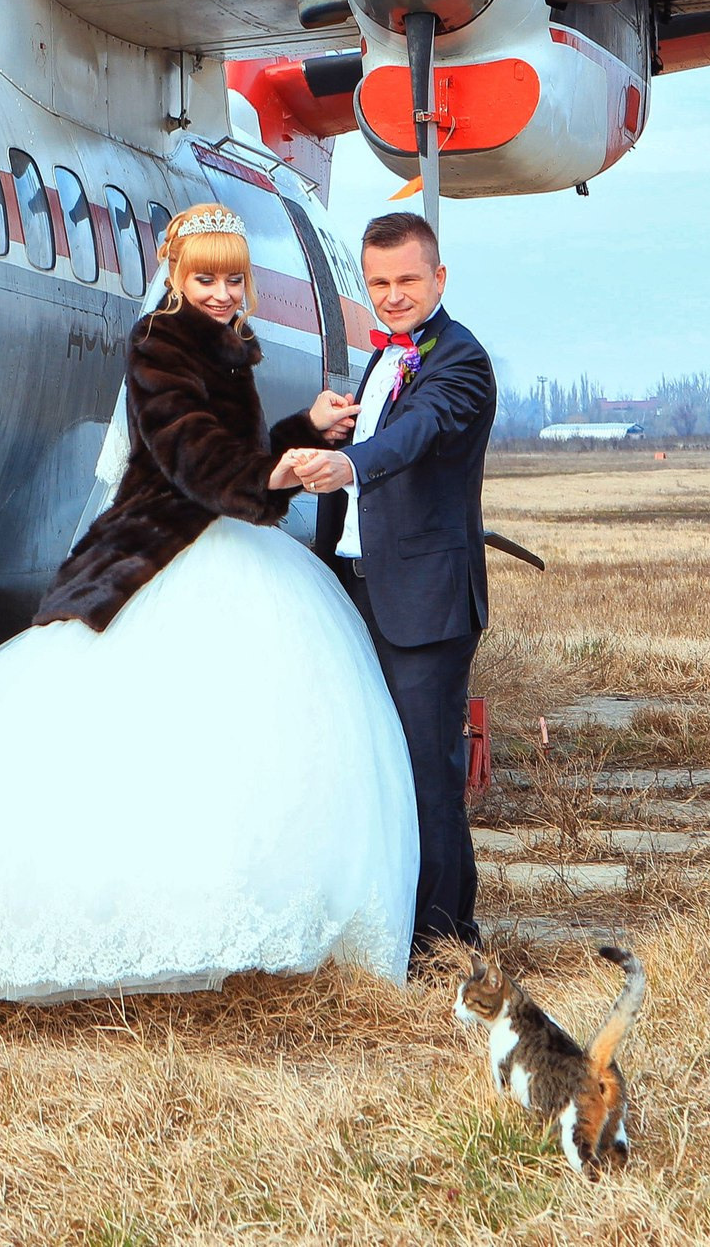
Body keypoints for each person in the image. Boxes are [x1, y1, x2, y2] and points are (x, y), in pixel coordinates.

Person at [0, 204, 419, 1003]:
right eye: (205, 278)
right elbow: (194, 463)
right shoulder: (158, 346)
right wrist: (289, 470)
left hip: (222, 540)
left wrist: (303, 426)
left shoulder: (223, 344)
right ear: (174, 278)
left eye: (233, 279)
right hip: (164, 545)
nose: (222, 293)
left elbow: (234, 449)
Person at [289, 211, 497, 955]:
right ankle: (394, 918)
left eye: (408, 279)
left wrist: (351, 462)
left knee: (425, 770)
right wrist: (327, 433)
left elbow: (421, 431)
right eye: (378, 282)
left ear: (439, 277)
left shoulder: (461, 361)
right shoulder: (383, 358)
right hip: (357, 588)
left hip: (424, 600)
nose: (393, 295)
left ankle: (444, 936)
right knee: (371, 760)